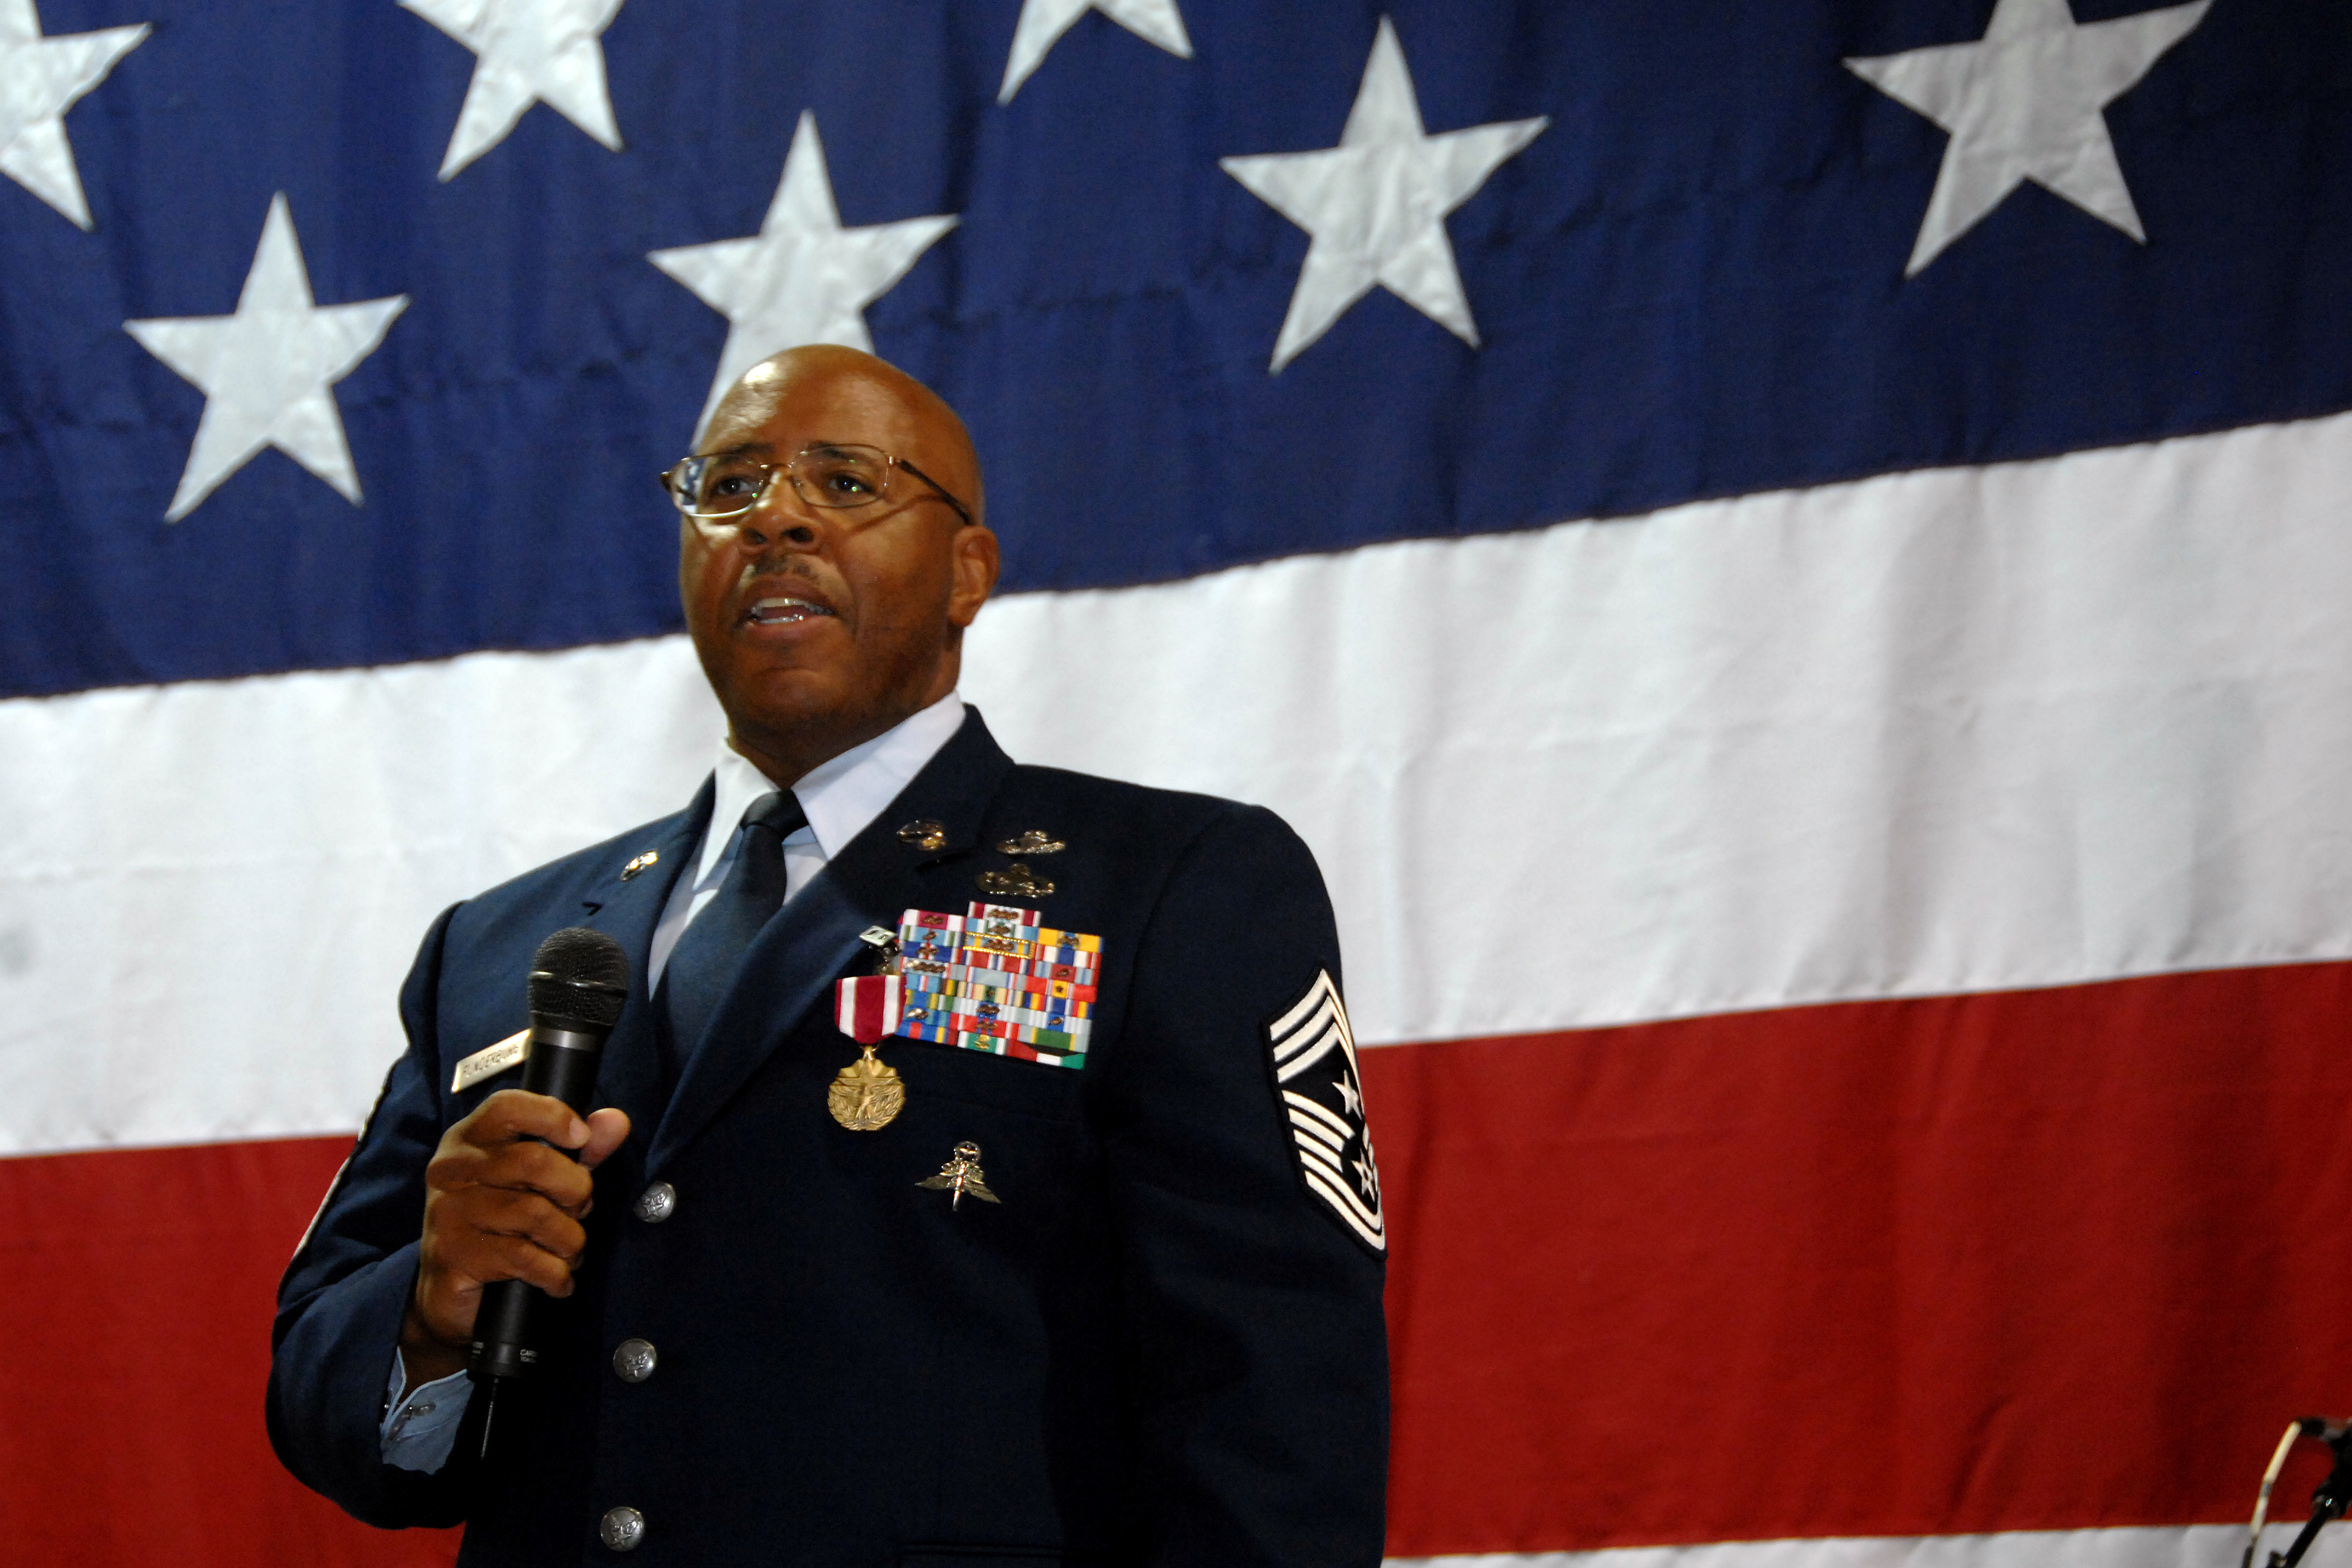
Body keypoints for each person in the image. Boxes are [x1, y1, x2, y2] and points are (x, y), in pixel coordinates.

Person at [267, 345, 1390, 1566]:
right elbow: (322, 1402)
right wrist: (431, 1313)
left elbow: (1276, 1395)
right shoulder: (504, 944)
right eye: (728, 484)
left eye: (847, 484)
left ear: (969, 572)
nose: (777, 516)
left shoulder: (1167, 883)